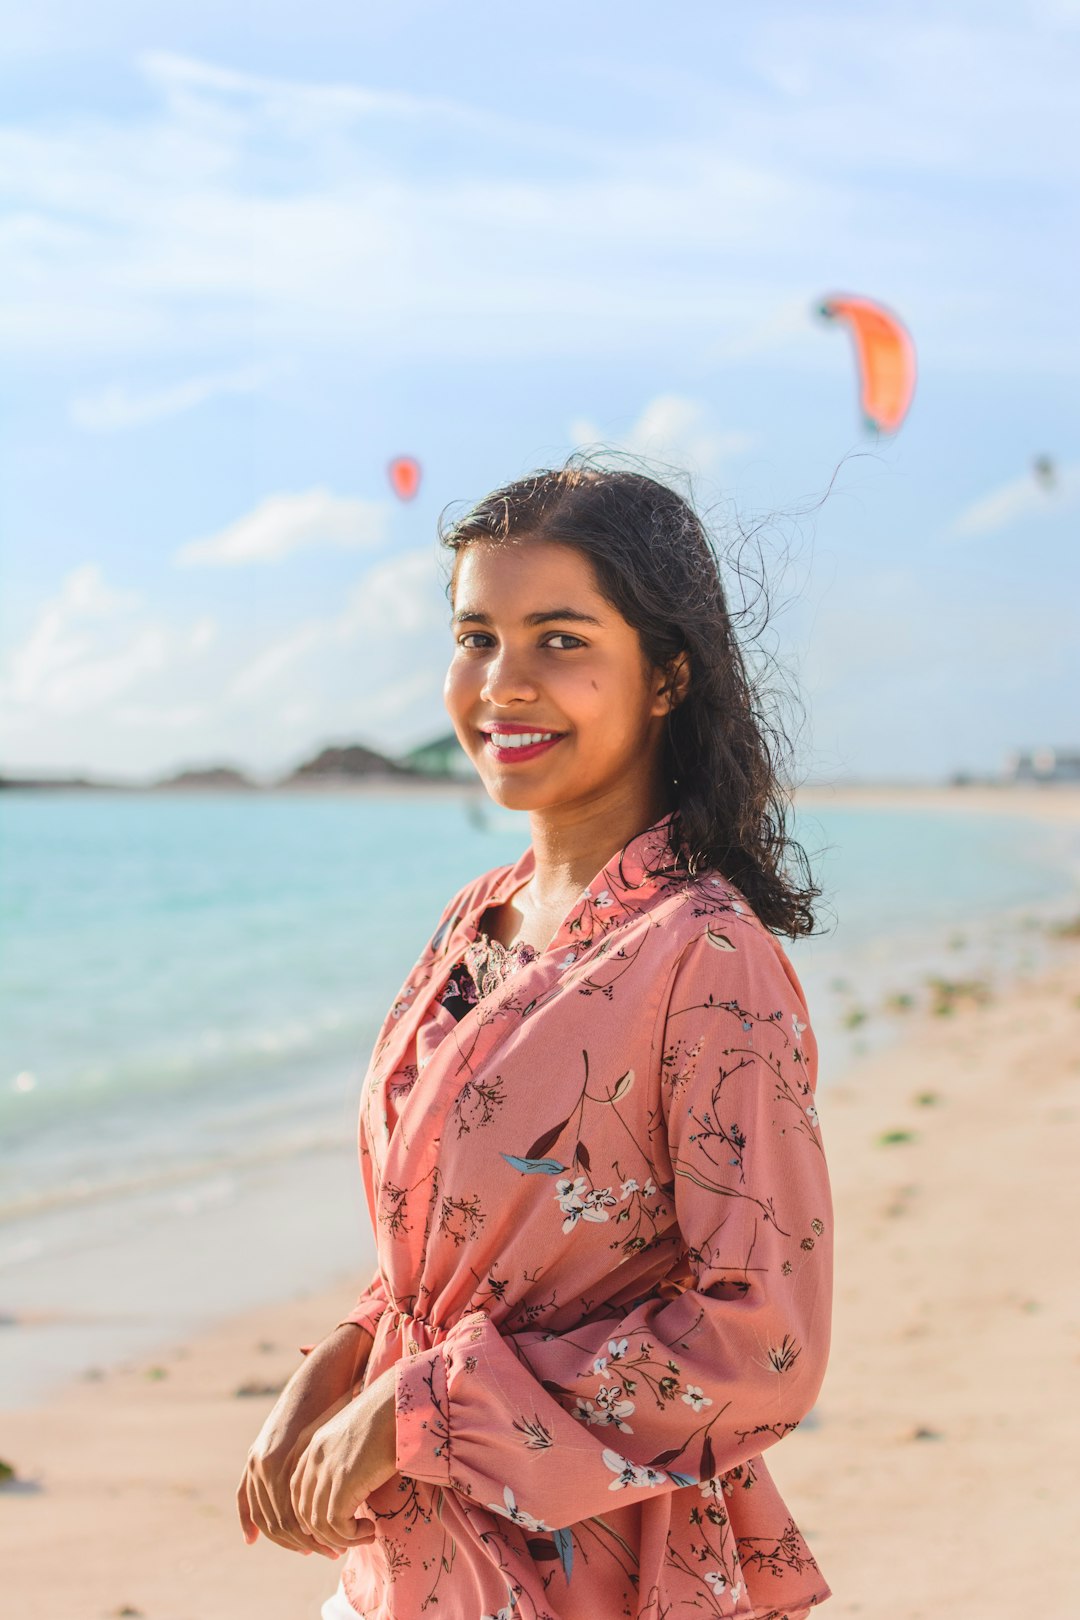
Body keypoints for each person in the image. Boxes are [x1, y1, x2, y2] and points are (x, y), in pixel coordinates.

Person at [237, 464, 834, 1619]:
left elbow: (765, 1341)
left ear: (666, 674)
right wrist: (343, 1363)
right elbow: (475, 1255)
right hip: (412, 1561)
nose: (503, 686)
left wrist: (423, 1408)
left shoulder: (704, 955)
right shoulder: (479, 917)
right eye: (476, 636)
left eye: (559, 639)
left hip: (591, 1569)